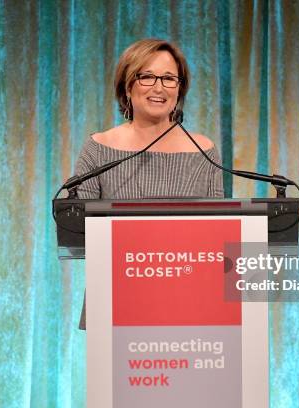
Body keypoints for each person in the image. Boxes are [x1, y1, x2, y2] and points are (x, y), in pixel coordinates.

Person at [74, 39, 224, 329]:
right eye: (147, 76)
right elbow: (79, 231)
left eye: (169, 78)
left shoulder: (204, 150)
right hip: (116, 300)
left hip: (189, 303)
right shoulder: (98, 147)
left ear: (180, 89)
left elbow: (217, 236)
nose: (159, 88)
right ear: (127, 86)